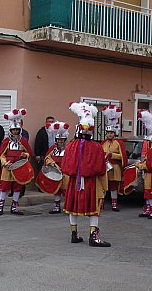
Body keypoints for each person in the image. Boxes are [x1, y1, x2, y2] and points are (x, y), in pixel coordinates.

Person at [62, 102, 110, 247]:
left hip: (73, 181)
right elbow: (101, 169)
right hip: (91, 182)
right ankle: (93, 237)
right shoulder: (96, 147)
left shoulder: (70, 146)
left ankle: (74, 234)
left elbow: (65, 165)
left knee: (72, 207)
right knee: (93, 209)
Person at [0, 109, 34, 216]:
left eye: (17, 130)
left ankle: (14, 207)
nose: (15, 132)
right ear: (10, 130)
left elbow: (29, 153)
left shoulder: (23, 141)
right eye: (13, 130)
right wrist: (5, 163)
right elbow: (1, 155)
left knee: (17, 187)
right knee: (4, 187)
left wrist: (24, 155)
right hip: (7, 167)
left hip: (19, 167)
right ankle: (1, 207)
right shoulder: (6, 141)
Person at [100, 115, 127, 212]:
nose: (110, 135)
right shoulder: (103, 143)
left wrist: (112, 155)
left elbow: (123, 157)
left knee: (113, 187)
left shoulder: (119, 143)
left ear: (114, 133)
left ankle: (114, 205)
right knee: (103, 186)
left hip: (115, 168)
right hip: (104, 168)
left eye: (111, 133)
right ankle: (101, 204)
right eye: (108, 133)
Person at [42, 122, 69, 214]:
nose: (60, 141)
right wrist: (52, 163)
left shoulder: (68, 149)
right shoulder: (53, 149)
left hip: (66, 172)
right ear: (56, 140)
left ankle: (68, 206)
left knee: (66, 190)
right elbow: (47, 158)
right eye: (58, 140)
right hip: (56, 171)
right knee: (57, 190)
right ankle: (57, 206)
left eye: (62, 140)